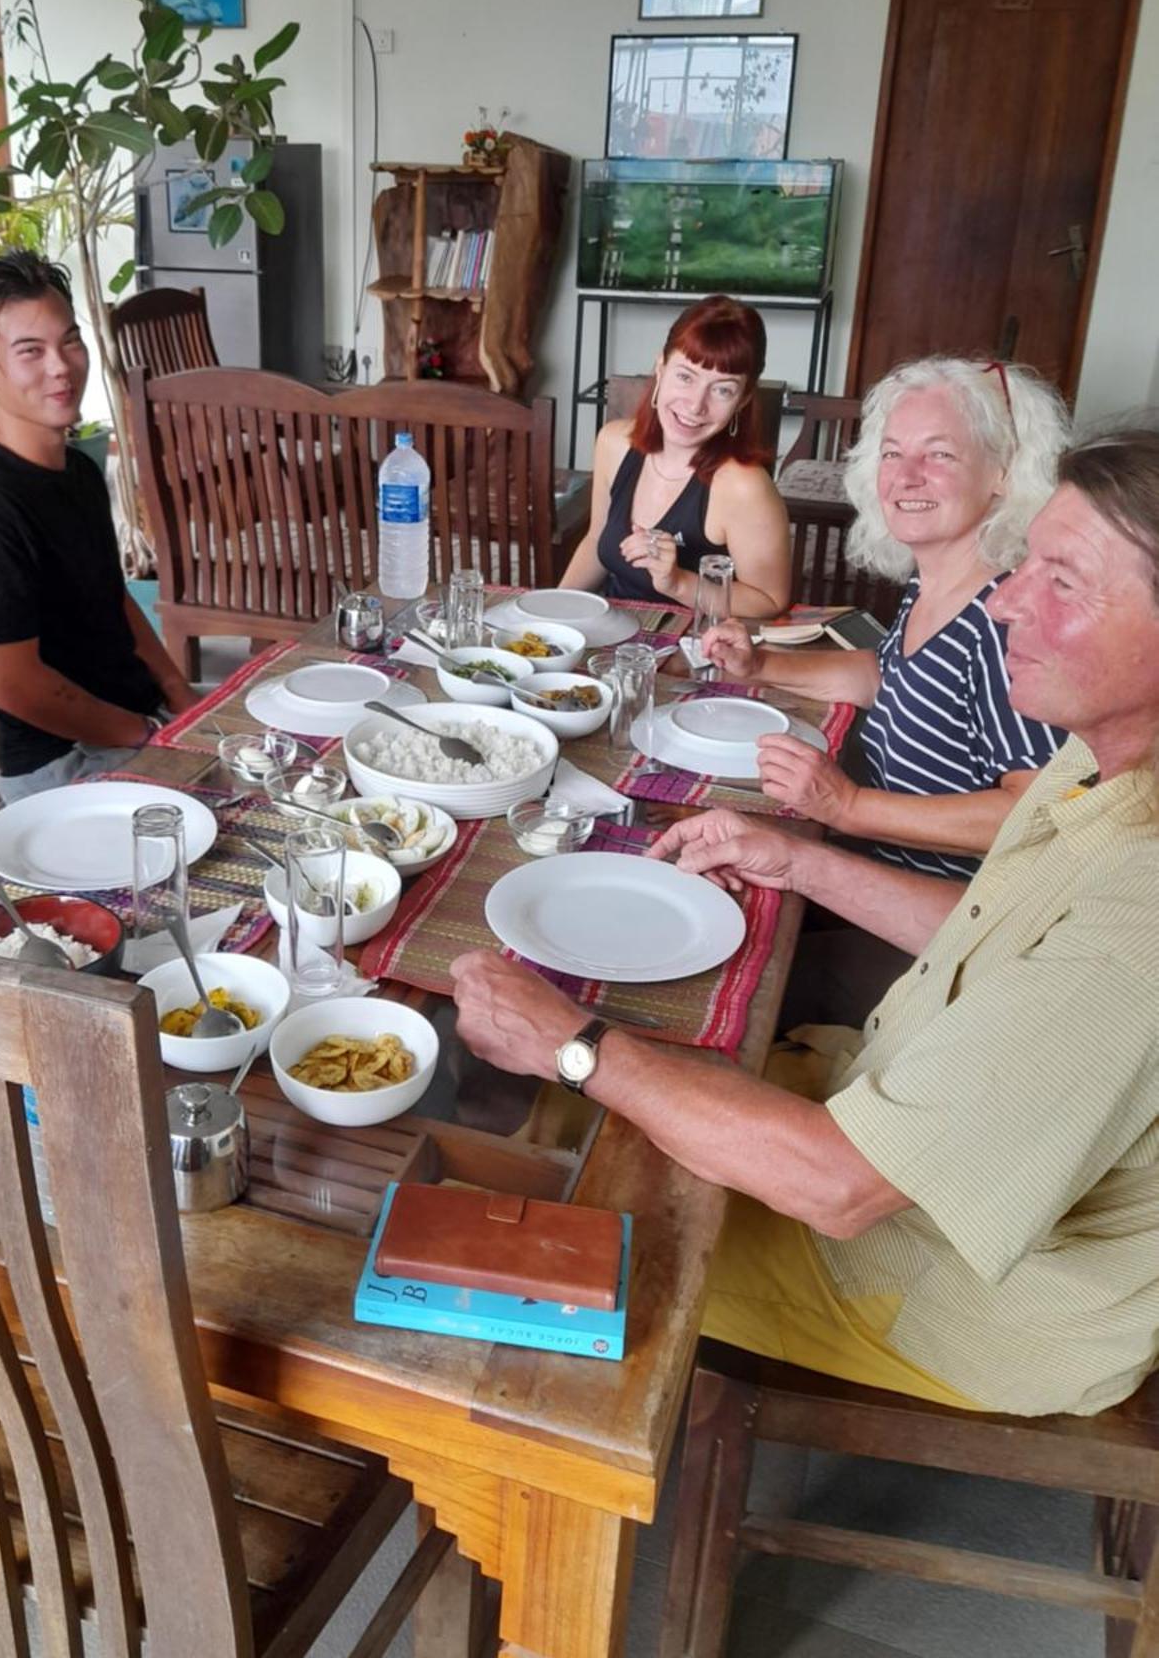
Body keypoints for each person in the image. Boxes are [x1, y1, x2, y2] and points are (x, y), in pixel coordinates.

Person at [451, 427, 1159, 1417]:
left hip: (937, 1289)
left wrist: (567, 1044)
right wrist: (798, 857)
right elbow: (995, 927)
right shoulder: (1105, 760)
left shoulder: (1139, 920)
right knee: (535, 1088)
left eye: (1065, 582)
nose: (1006, 601)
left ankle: (519, 1460)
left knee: (496, 1208)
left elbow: (841, 1185)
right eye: (1024, 562)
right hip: (889, 1096)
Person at [703, 356, 1071, 877]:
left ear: (1004, 473)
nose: (906, 476)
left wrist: (847, 805)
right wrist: (757, 665)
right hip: (882, 865)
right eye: (892, 453)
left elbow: (1039, 814)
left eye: (940, 454)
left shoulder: (1004, 621)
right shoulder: (938, 579)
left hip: (949, 920)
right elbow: (887, 676)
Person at [0, 252, 194, 802]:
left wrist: (177, 692)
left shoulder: (76, 467)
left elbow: (111, 595)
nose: (61, 366)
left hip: (130, 717)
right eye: (30, 352)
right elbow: (11, 682)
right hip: (64, 760)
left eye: (70, 342)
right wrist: (147, 736)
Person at [560, 294, 791, 618]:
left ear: (742, 400)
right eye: (685, 376)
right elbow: (597, 542)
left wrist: (677, 582)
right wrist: (551, 615)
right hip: (608, 640)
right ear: (661, 367)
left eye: (722, 389)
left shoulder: (744, 487)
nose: (696, 405)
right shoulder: (613, 442)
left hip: (695, 652)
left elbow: (769, 602)